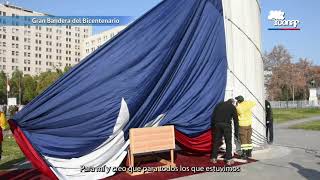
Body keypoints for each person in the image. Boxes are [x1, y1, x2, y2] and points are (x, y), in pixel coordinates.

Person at [211, 99, 239, 165]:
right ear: (232, 102)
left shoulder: (218, 105)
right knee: (228, 142)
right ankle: (228, 159)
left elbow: (213, 116)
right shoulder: (232, 107)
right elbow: (236, 120)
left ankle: (214, 158)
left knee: (216, 142)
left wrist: (213, 127)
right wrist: (236, 132)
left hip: (217, 124)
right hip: (226, 125)